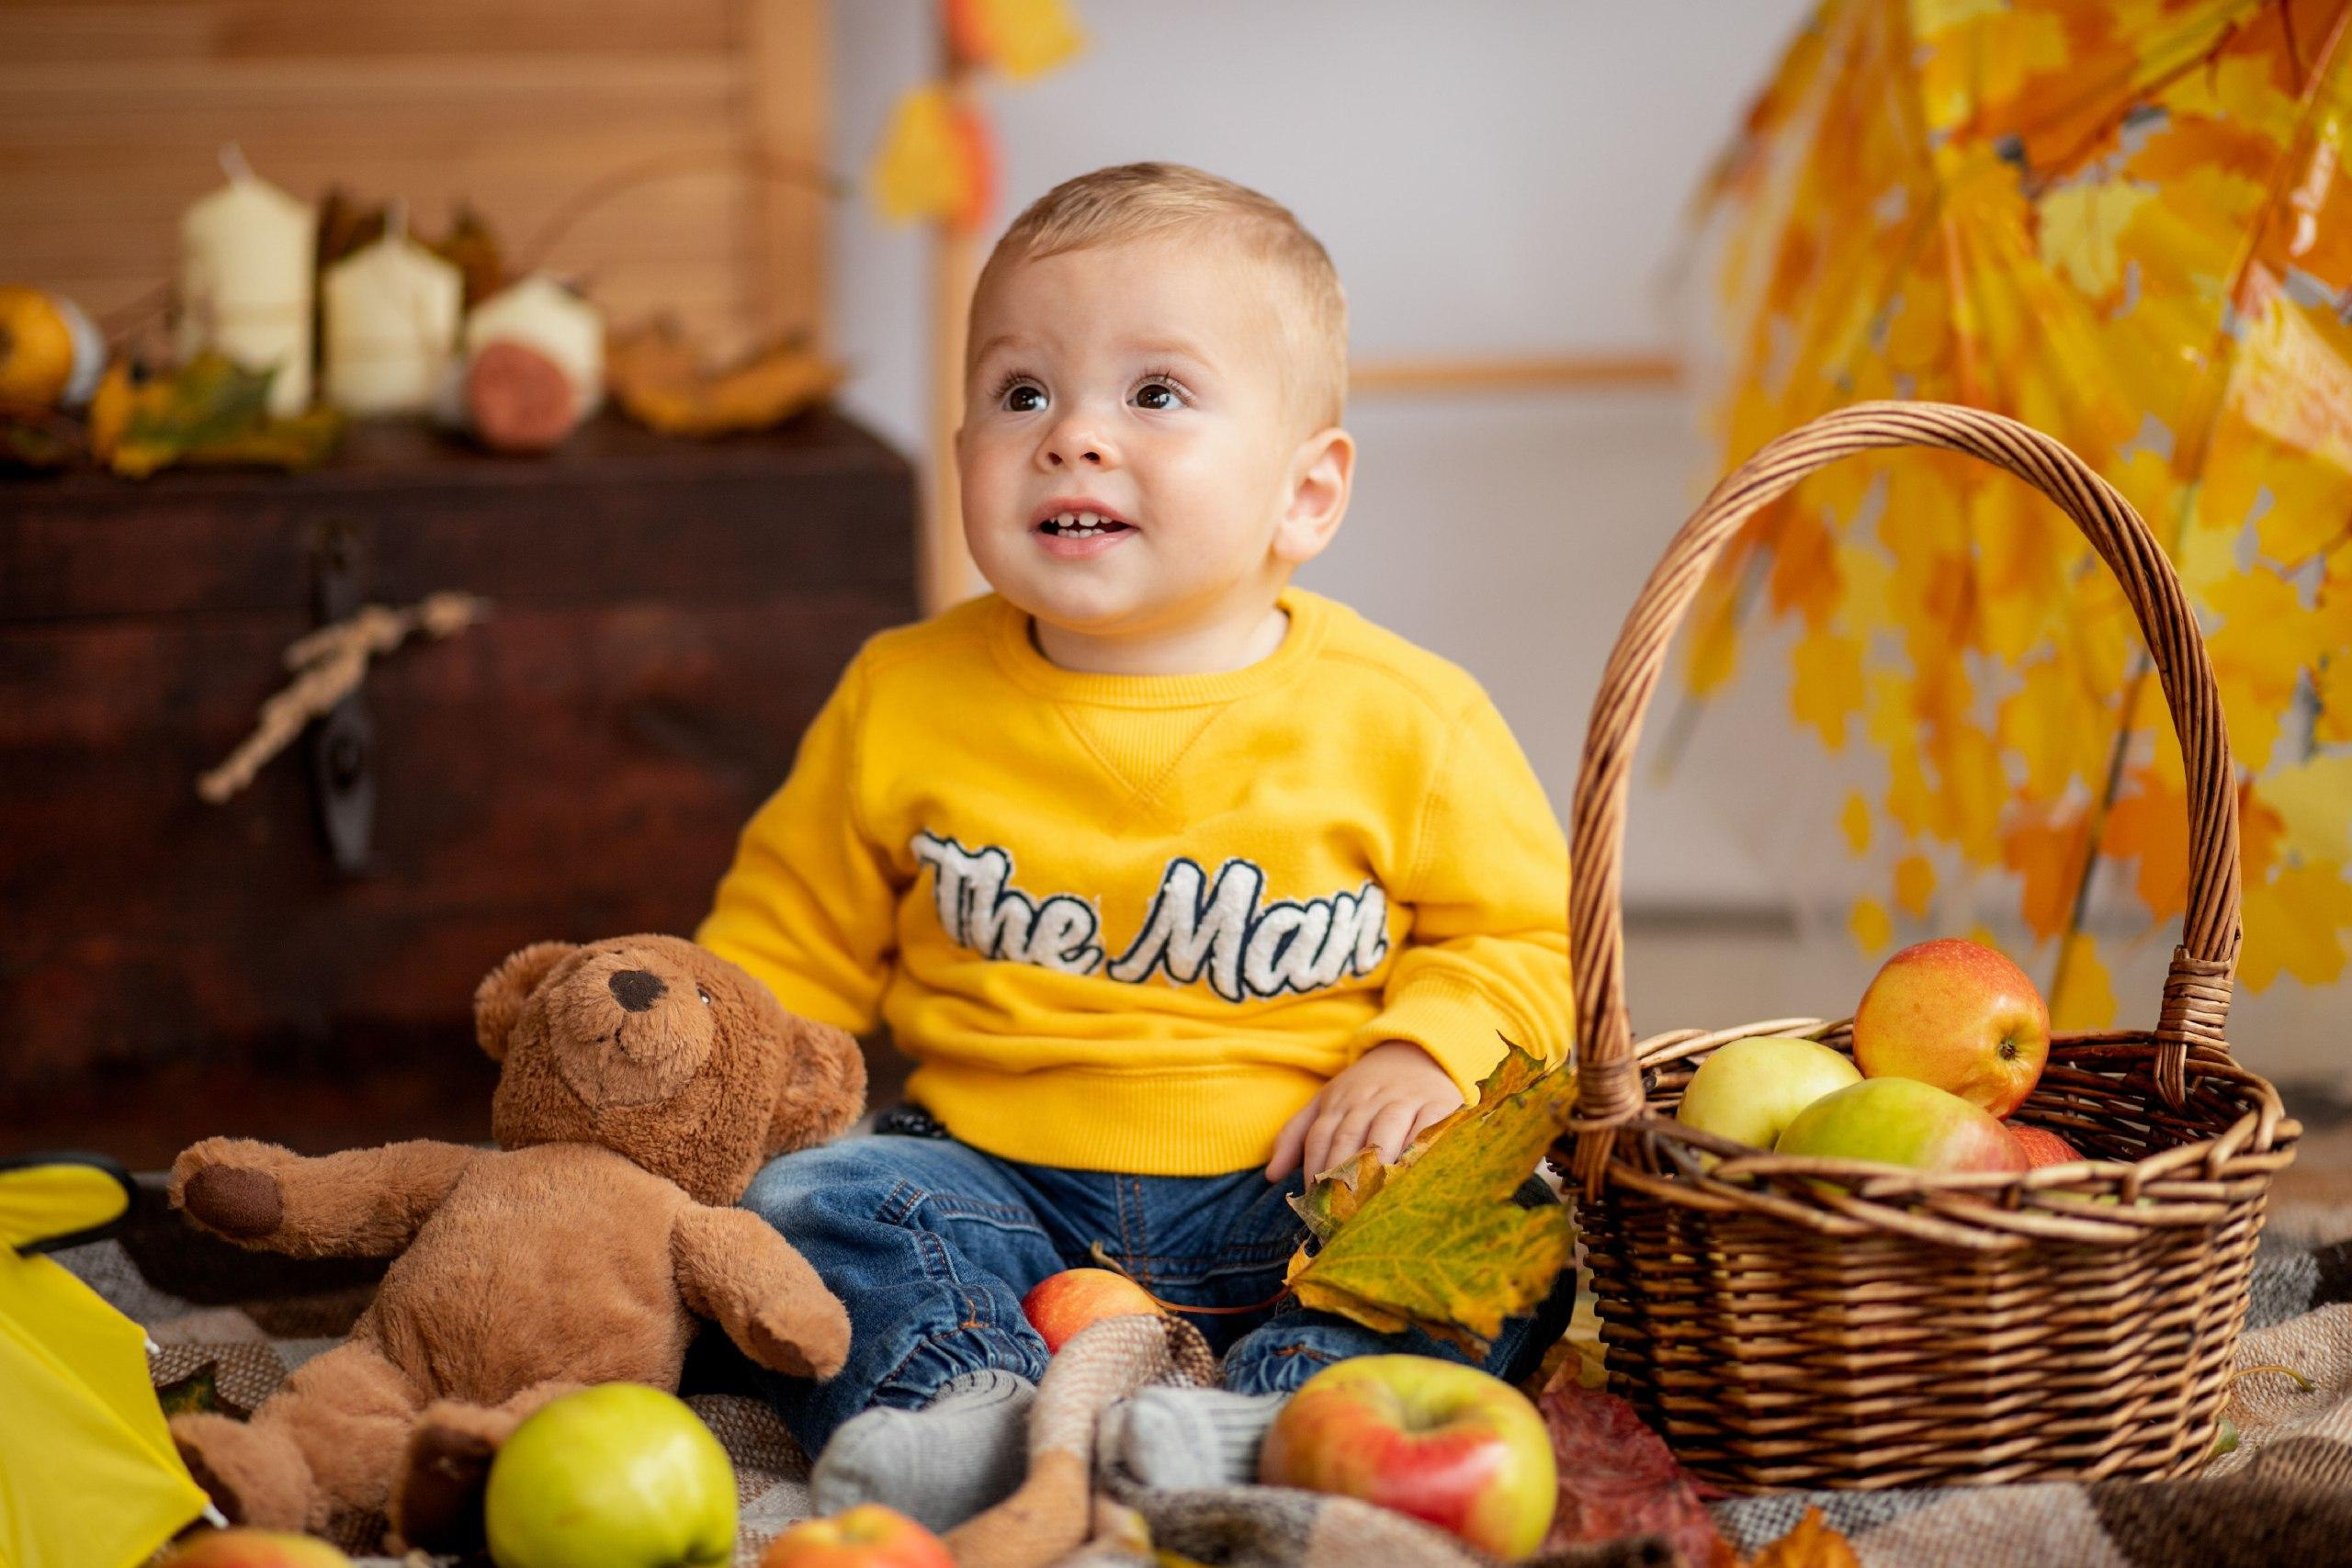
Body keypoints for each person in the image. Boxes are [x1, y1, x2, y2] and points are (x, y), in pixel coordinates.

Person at [697, 162, 1574, 1530]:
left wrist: (1425, 1050)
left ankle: (1270, 1422)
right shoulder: (903, 692)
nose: (1071, 438)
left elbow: (1524, 940)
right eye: (1021, 393)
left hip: (1298, 1193)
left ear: (1306, 495)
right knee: (814, 1197)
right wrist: (714, 1098)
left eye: (1154, 395)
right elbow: (781, 943)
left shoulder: (1412, 720)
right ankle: (959, 1406)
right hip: (991, 1185)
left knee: (1513, 1229)